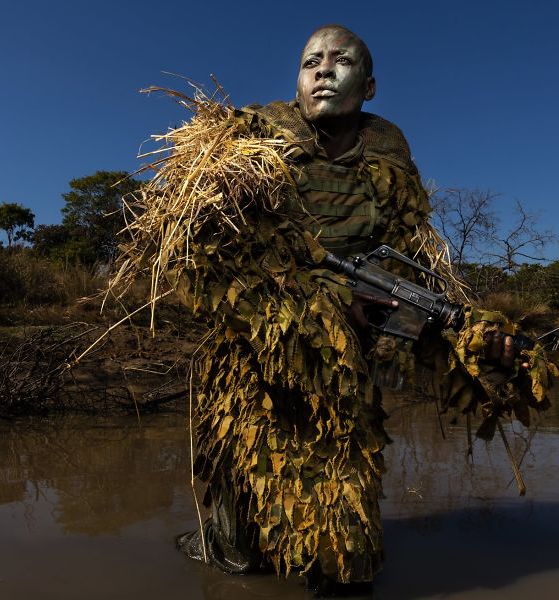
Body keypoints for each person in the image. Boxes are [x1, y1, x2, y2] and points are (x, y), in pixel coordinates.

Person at [172, 24, 528, 593]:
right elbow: (209, 258)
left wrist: (459, 337)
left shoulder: (387, 158)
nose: (323, 70)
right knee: (238, 524)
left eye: (342, 61)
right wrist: (323, 300)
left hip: (345, 362)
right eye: (311, 60)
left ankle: (338, 570)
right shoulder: (249, 144)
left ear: (369, 85)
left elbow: (413, 270)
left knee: (340, 513)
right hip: (252, 355)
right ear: (297, 80)